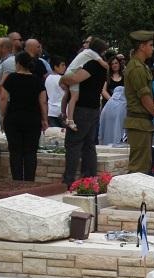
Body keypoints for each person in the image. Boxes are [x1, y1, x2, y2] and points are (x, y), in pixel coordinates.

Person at [60, 37, 108, 188]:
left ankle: (69, 180)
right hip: (93, 108)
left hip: (82, 109)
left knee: (73, 144)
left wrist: (63, 78)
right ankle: (89, 180)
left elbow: (74, 79)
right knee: (89, 145)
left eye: (87, 43)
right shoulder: (101, 65)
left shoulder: (92, 64)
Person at [0, 51, 47, 181]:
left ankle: (17, 180)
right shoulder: (37, 80)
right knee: (31, 151)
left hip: (13, 117)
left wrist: (2, 115)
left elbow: (3, 98)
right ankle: (30, 181)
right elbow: (43, 101)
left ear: (18, 63)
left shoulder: (11, 78)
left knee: (15, 151)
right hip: (33, 118)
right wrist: (44, 119)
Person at [124, 30, 154, 174]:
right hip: (138, 121)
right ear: (141, 46)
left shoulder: (142, 66)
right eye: (150, 45)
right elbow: (144, 97)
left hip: (143, 122)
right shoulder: (137, 68)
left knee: (144, 164)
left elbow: (149, 95)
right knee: (138, 166)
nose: (153, 48)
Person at [60, 38, 109, 131]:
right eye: (104, 50)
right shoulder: (92, 54)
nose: (105, 52)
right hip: (72, 73)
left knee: (70, 96)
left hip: (72, 72)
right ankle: (70, 119)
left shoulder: (88, 54)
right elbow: (105, 65)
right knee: (74, 97)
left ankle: (66, 116)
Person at [45, 55, 66, 128]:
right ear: (55, 67)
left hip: (51, 110)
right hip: (61, 110)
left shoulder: (48, 78)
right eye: (62, 65)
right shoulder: (62, 79)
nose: (65, 67)